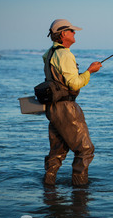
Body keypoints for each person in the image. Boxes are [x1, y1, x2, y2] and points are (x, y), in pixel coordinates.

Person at [42, 19, 102, 186]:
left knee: (57, 151)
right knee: (85, 150)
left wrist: (83, 73)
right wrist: (90, 71)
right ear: (63, 34)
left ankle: (48, 187)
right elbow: (73, 84)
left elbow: (59, 78)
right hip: (66, 108)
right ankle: (80, 190)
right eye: (72, 31)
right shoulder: (65, 54)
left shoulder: (49, 54)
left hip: (52, 108)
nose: (75, 33)